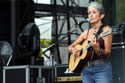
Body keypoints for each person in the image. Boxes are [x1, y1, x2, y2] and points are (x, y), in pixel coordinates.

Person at [68, 1, 113, 83]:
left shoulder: (106, 30)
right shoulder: (86, 32)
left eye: (94, 12)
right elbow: (70, 47)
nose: (90, 15)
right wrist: (72, 50)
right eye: (89, 13)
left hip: (102, 69)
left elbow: (108, 53)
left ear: (101, 16)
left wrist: (98, 50)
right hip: (86, 70)